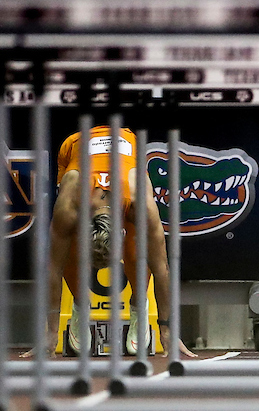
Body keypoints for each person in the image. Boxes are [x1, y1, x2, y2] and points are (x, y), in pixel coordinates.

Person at [24, 125, 195, 358]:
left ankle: (139, 309)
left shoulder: (139, 202)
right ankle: (80, 307)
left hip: (127, 144)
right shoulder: (70, 204)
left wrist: (167, 329)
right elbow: (53, 268)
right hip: (74, 146)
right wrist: (51, 332)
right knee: (66, 252)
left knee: (138, 254)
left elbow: (162, 269)